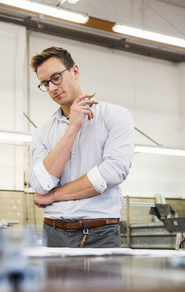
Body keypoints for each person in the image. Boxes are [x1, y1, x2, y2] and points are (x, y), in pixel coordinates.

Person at [29, 46, 134, 248]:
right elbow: (41, 184)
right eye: (45, 83)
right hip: (53, 233)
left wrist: (53, 196)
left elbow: (112, 173)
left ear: (75, 71)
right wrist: (72, 129)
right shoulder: (42, 133)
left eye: (56, 77)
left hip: (99, 233)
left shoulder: (115, 116)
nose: (52, 88)